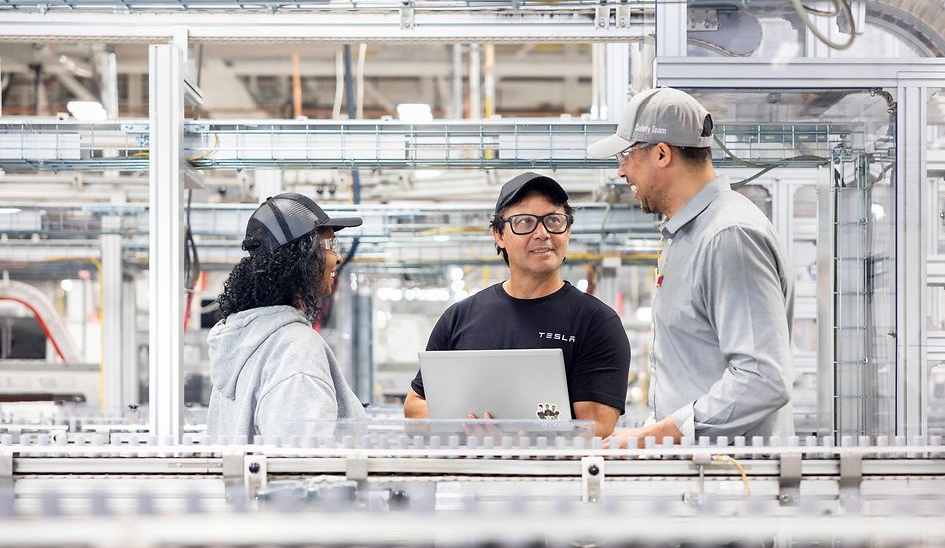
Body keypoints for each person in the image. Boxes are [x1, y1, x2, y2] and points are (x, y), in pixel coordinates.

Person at [587, 87, 794, 444]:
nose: (621, 172)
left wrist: (654, 436)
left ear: (662, 154)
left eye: (626, 156)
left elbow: (762, 379)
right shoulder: (686, 235)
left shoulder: (728, 236)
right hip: (700, 476)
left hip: (732, 483)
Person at [403, 172, 631, 437]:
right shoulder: (459, 318)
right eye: (525, 222)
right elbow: (414, 408)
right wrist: (468, 424)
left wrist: (518, 437)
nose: (542, 233)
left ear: (567, 231)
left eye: (554, 221)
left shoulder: (596, 323)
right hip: (468, 474)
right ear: (499, 235)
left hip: (554, 476)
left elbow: (597, 428)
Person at [207, 192, 366, 441]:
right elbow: (305, 467)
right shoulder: (297, 350)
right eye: (330, 246)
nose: (338, 257)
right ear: (303, 256)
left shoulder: (242, 341)